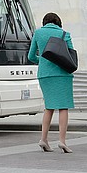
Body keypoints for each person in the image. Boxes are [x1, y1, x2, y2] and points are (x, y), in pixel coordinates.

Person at [28, 12, 75, 153]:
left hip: (44, 74)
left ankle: (44, 139)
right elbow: (71, 55)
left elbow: (31, 56)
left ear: (45, 22)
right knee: (63, 107)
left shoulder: (38, 33)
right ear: (58, 22)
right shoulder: (64, 34)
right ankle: (62, 141)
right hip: (61, 74)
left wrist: (42, 61)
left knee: (49, 107)